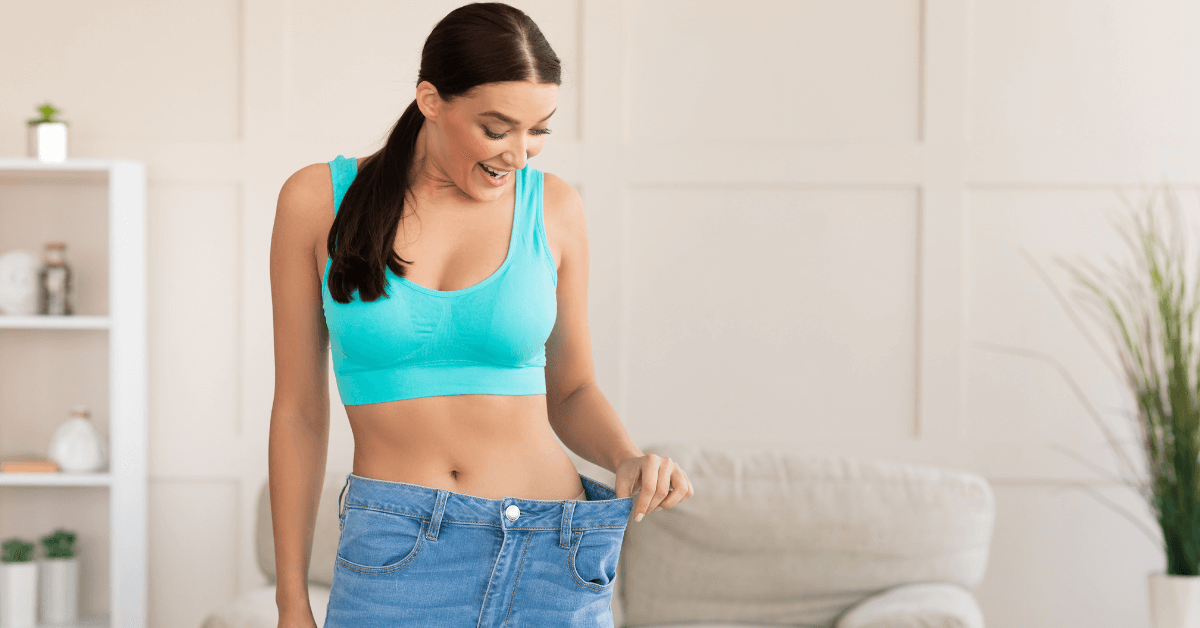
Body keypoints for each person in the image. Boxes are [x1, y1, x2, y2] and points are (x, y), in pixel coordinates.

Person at [268, 3, 694, 626]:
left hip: (555, 549)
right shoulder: (317, 199)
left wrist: (626, 456)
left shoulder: (554, 207)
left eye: (539, 130)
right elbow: (299, 412)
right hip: (398, 552)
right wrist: (290, 601)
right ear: (431, 100)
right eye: (497, 129)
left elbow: (572, 389)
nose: (520, 154)